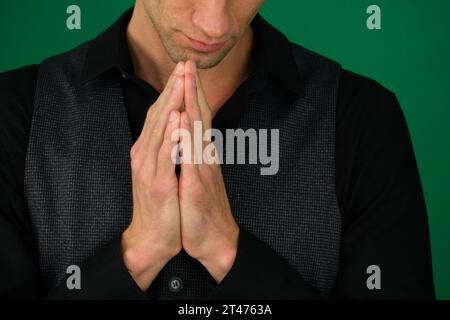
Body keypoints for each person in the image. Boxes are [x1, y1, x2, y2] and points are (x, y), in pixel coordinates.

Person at [0, 0, 435, 299]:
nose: (216, 23)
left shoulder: (362, 117)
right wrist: (140, 251)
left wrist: (226, 249)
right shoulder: (14, 112)